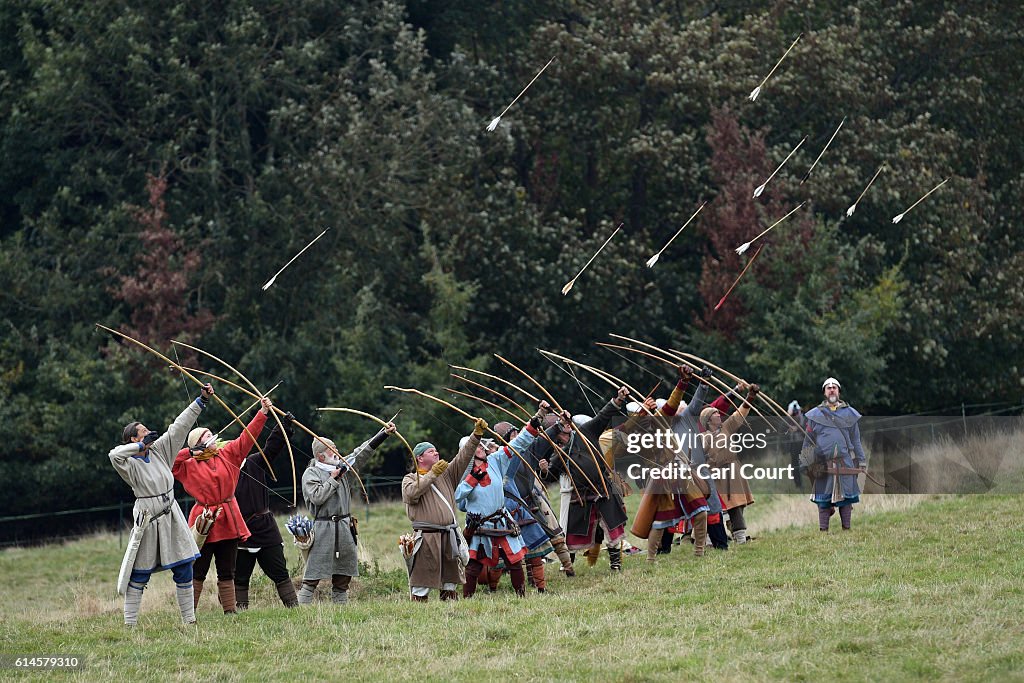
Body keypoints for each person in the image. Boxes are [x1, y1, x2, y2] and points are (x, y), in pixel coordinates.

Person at [109, 385, 213, 626]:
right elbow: (114, 455)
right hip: (148, 518)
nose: (149, 435)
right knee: (140, 574)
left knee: (185, 566)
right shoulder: (129, 464)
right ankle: (130, 624)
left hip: (171, 514)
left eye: (148, 432)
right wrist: (139, 447)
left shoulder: (160, 451)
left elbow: (179, 426)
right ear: (133, 440)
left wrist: (201, 400)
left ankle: (190, 620)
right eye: (142, 433)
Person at [173, 396, 273, 614]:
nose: (212, 437)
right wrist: (189, 453)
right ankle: (189, 614)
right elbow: (169, 463)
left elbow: (247, 438)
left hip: (228, 516)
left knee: (227, 570)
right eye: (206, 435)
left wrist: (262, 413)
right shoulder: (188, 465)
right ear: (197, 443)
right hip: (204, 520)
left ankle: (230, 611)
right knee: (198, 570)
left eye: (211, 434)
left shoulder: (227, 454)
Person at [298, 422, 396, 604]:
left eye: (335, 447)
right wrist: (334, 479)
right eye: (331, 449)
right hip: (323, 527)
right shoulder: (311, 473)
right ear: (320, 456)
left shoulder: (343, 467)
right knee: (313, 574)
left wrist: (383, 434)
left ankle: (341, 609)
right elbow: (317, 497)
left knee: (343, 575)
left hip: (344, 526)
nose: (336, 451)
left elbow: (360, 453)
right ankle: (300, 610)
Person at [456, 406, 546, 597]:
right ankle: (467, 600)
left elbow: (517, 445)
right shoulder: (461, 473)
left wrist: (534, 422)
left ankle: (521, 597)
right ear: (468, 452)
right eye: (477, 446)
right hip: (480, 525)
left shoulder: (496, 460)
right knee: (473, 567)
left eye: (482, 445)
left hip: (502, 520)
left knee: (514, 562)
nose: (482, 448)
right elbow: (458, 500)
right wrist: (472, 479)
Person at [536, 387, 629, 571]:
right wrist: (545, 471)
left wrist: (618, 399)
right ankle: (568, 566)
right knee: (572, 533)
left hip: (603, 489)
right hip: (581, 497)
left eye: (565, 428)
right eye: (560, 431)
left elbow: (603, 415)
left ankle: (616, 564)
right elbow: (550, 476)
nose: (564, 432)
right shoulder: (560, 455)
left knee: (612, 528)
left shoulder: (587, 432)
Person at [401, 418, 485, 602]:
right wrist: (432, 474)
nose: (436, 452)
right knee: (422, 582)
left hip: (449, 536)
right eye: (430, 451)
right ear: (420, 458)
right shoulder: (409, 478)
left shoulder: (446, 474)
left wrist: (476, 435)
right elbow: (411, 494)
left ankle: (450, 615)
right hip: (426, 538)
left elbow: (464, 456)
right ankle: (418, 617)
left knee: (450, 581)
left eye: (435, 449)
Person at [234, 412, 298, 610]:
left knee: (280, 572)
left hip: (265, 528)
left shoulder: (254, 462)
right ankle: (238, 613)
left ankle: (294, 608)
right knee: (240, 577)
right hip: (240, 531)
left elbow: (272, 448)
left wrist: (284, 425)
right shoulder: (222, 473)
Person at [802, 378, 867, 531]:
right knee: (823, 500)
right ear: (824, 392)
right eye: (828, 388)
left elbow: (856, 440)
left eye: (834, 387)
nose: (831, 390)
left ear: (839, 391)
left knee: (847, 498)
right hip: (822, 462)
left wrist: (862, 461)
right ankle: (823, 531)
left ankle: (847, 529)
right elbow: (807, 442)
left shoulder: (850, 413)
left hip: (845, 461)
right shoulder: (814, 415)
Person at [701, 383, 760, 544]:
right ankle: (708, 539)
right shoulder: (702, 437)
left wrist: (751, 396)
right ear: (708, 420)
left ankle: (740, 536)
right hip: (716, 475)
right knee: (716, 508)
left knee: (736, 506)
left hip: (733, 471)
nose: (719, 415)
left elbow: (740, 414)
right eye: (715, 414)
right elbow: (701, 453)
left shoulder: (727, 427)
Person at [786, 401, 807, 490]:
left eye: (797, 411)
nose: (796, 413)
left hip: (803, 444)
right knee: (795, 465)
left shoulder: (803, 418)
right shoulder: (789, 419)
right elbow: (784, 428)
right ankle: (798, 485)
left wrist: (797, 429)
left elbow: (806, 430)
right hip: (793, 445)